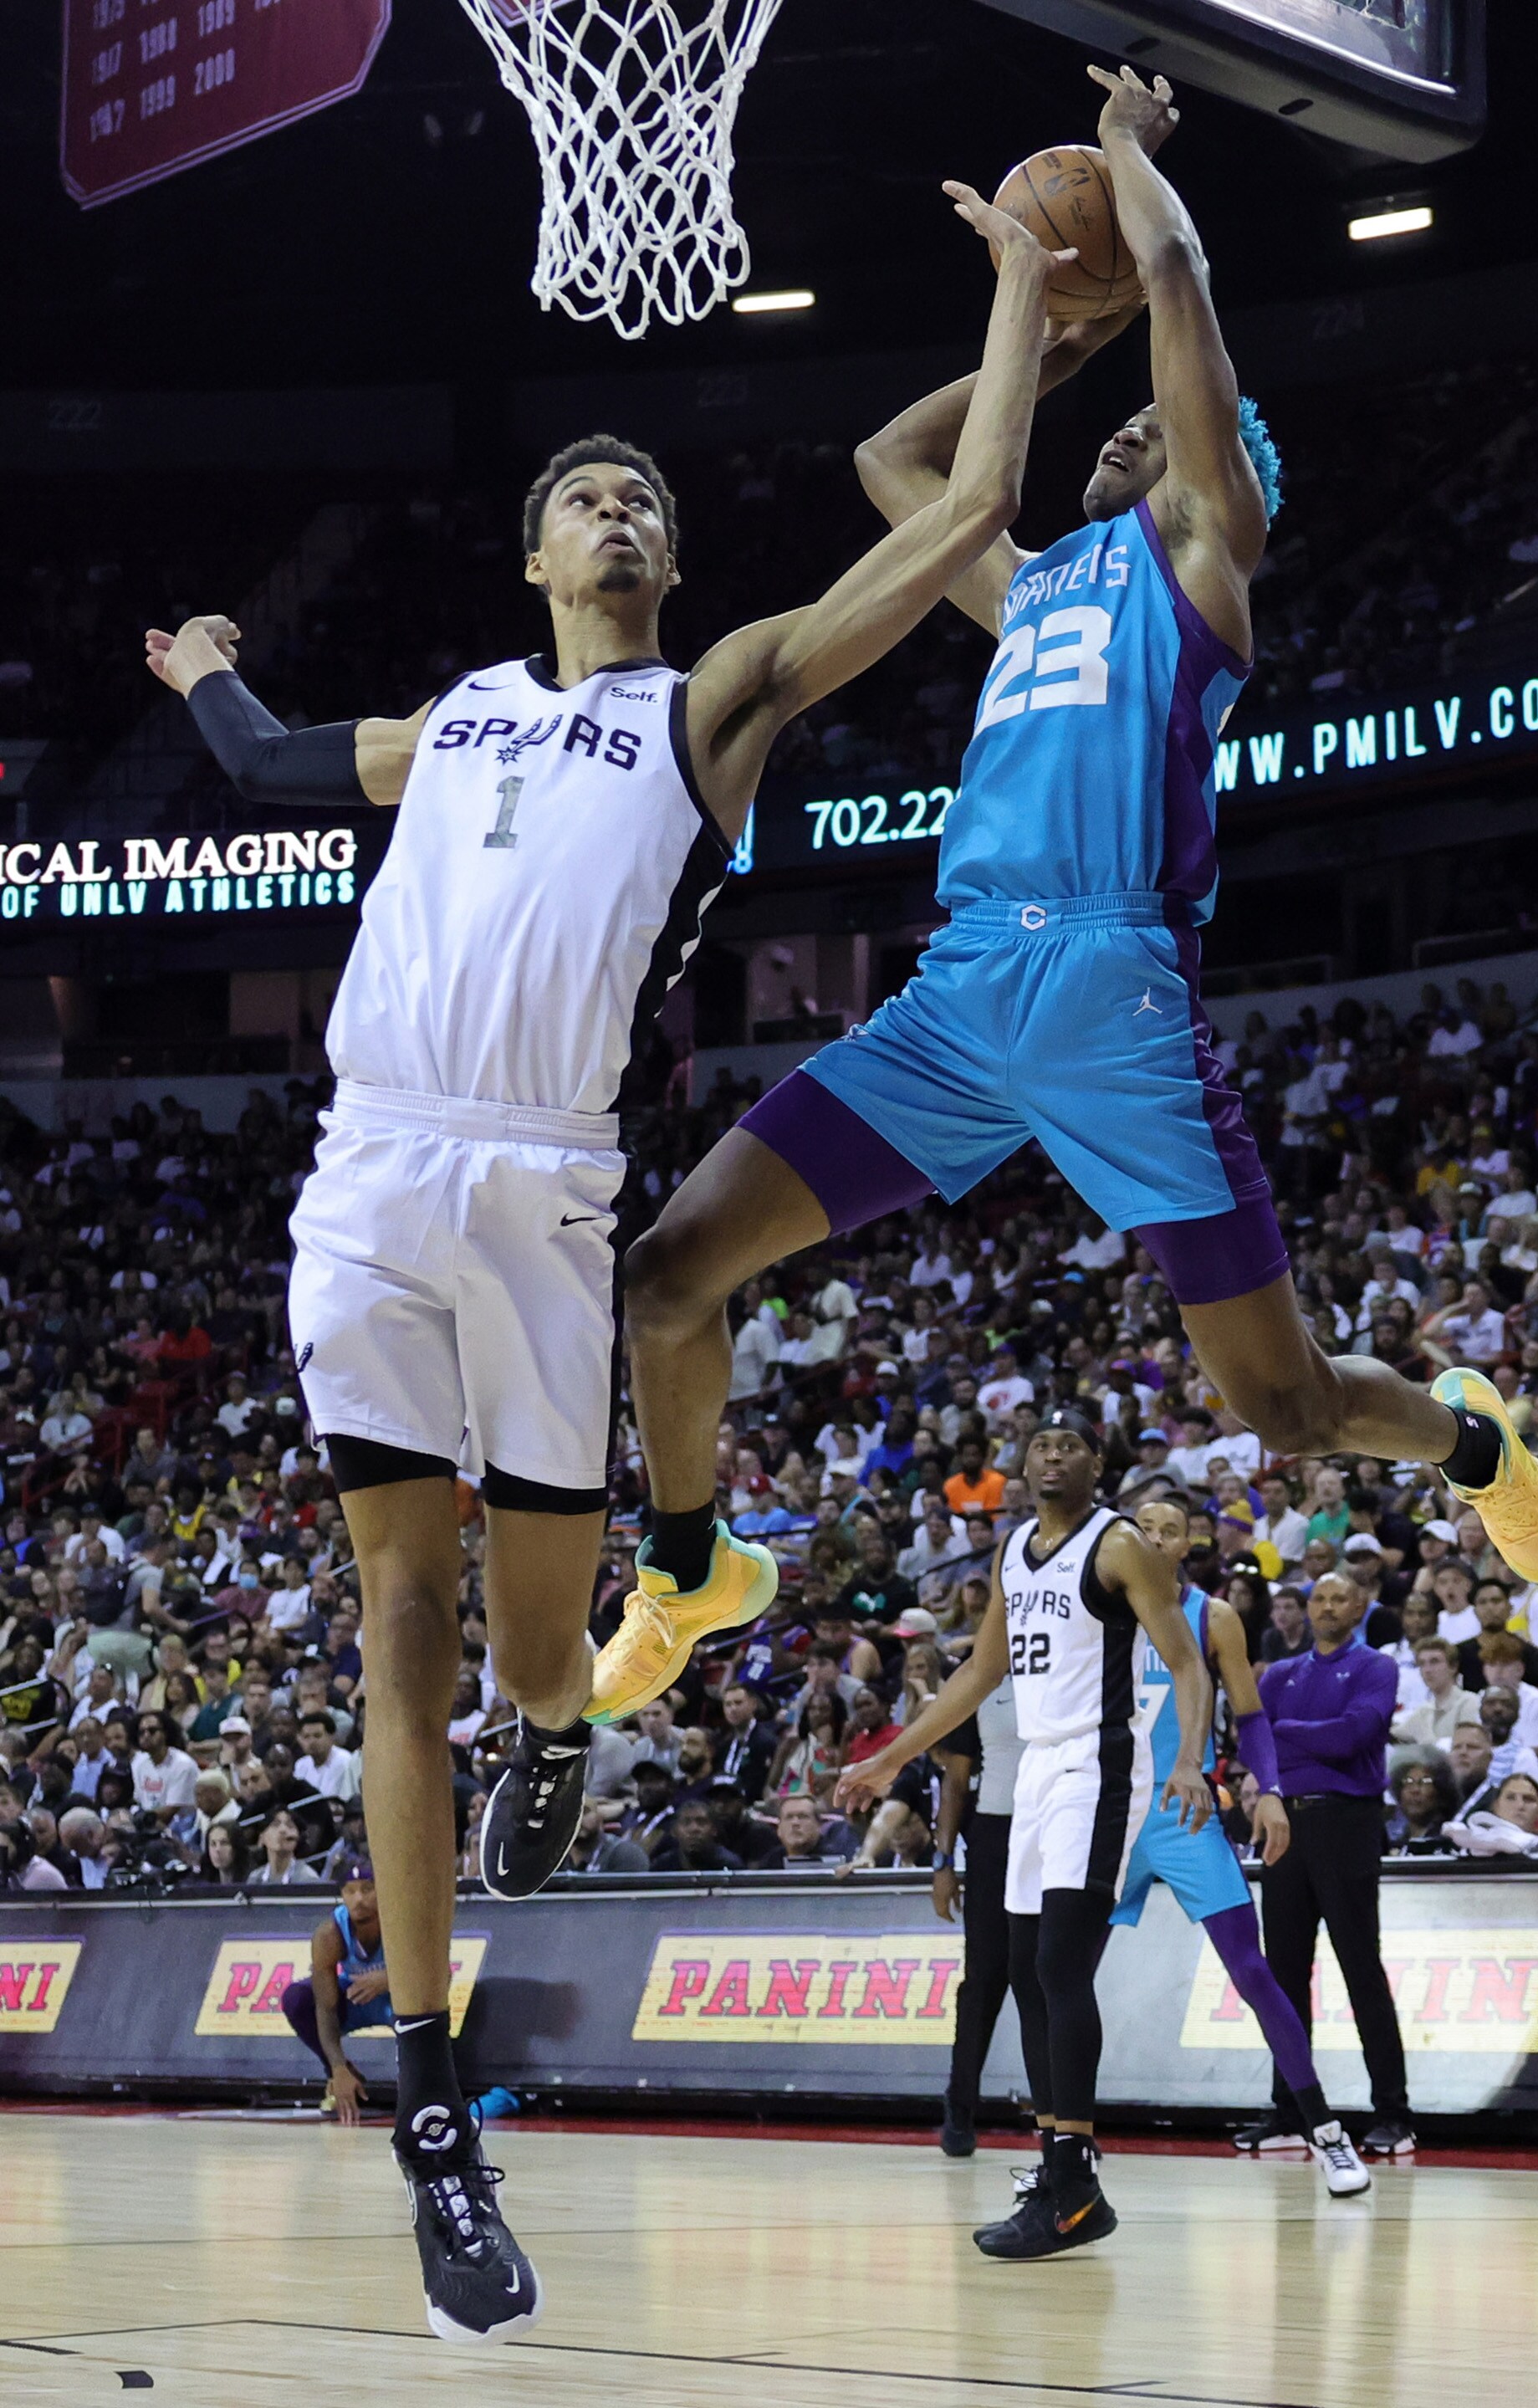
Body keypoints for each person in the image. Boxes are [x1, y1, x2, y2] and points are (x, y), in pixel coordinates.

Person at [146, 171, 1062, 2348]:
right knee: (398, 1608)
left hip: (553, 1193)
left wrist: (1022, 286)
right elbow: (276, 760)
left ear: (667, 555)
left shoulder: (707, 706)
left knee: (543, 1662)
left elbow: (953, 534)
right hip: (370, 1172)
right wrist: (205, 672)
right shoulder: (454, 715)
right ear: (536, 555)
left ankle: (562, 1716)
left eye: (644, 489)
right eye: (584, 492)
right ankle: (439, 2095)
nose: (619, 508)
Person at [614, 65, 1538, 1741]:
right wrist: (1034, 328)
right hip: (961, 992)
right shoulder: (1032, 577)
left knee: (1280, 1405)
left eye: (1147, 419)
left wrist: (1122, 160)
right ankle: (687, 1563)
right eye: (1109, 419)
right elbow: (893, 460)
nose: (1122, 427)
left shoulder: (1203, 555)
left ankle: (1473, 1435)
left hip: (1119, 986)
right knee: (673, 1270)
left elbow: (1182, 289)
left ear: (1214, 470)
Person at [838, 1412, 1213, 2259]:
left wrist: (1190, 1759)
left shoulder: (1119, 1544)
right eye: (1040, 1444)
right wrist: (887, 1759)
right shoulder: (1012, 1550)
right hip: (1033, 1773)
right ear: (1022, 1463)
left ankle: (1075, 2177)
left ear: (1099, 1462)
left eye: (1070, 1444)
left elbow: (1187, 1663)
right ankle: (1060, 2171)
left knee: (1058, 1964)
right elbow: (979, 1670)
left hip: (1099, 1763)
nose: (1051, 1454)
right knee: (1022, 1964)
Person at [1117, 1495, 1367, 2195]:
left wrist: (1272, 1789)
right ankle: (1063, 2148)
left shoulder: (1213, 1615)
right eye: (1146, 1526)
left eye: (1171, 1529)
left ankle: (1324, 2130)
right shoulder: (1102, 1608)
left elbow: (1252, 1717)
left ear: (1190, 1543)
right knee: (1056, 1969)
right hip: (1106, 1816)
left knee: (1253, 1971)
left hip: (1184, 1814)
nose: (1158, 1538)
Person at [1248, 1572, 1413, 2157]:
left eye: (1338, 1596)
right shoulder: (1280, 1672)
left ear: (1360, 1605)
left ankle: (1394, 2111)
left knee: (1359, 1966)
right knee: (1283, 1976)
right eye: (1317, 1597)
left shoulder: (1376, 1666)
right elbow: (1252, 1741)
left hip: (1346, 1823)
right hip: (1283, 1825)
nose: (1325, 1606)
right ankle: (1289, 2109)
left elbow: (1355, 1735)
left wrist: (1284, 1731)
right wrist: (1286, 1740)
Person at [928, 1671, 1024, 2157]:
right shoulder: (985, 1679)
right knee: (983, 1979)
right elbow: (956, 1780)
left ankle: (1064, 2115)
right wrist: (943, 1861)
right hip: (994, 1837)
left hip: (1057, 1830)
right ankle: (960, 2102)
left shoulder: (1077, 1665)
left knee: (1047, 1978)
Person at [280, 1864, 392, 2119]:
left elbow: (441, 1975)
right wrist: (338, 2065)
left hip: (397, 2000)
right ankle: (340, 2079)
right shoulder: (329, 1934)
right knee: (297, 1998)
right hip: (355, 1999)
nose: (359, 1899)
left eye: (367, 1889)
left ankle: (424, 2089)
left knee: (419, 2012)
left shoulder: (399, 1919)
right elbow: (326, 2008)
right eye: (350, 1891)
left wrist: (390, 1979)